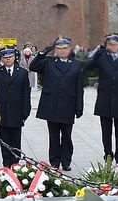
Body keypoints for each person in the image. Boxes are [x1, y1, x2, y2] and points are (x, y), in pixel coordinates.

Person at [29, 37, 84, 171]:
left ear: (69, 49)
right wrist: (44, 52)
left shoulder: (75, 64)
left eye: (64, 48)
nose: (62, 51)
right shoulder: (49, 62)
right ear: (55, 50)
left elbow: (79, 88)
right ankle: (54, 162)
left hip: (68, 105)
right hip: (51, 105)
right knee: (53, 136)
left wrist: (79, 107)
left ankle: (66, 161)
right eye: (59, 48)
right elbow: (33, 67)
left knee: (67, 135)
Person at [83, 34, 118, 169]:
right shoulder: (101, 57)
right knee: (106, 131)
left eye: (115, 44)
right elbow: (88, 66)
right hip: (104, 99)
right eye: (110, 44)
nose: (112, 47)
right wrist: (97, 52)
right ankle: (108, 155)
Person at [0, 47, 31, 167]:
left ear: (15, 57)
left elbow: (26, 93)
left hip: (17, 111)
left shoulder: (22, 72)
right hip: (2, 112)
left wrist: (26, 111)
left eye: (10, 57)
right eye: (5, 57)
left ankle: (15, 165)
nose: (8, 59)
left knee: (16, 141)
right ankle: (6, 165)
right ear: (2, 59)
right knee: (4, 141)